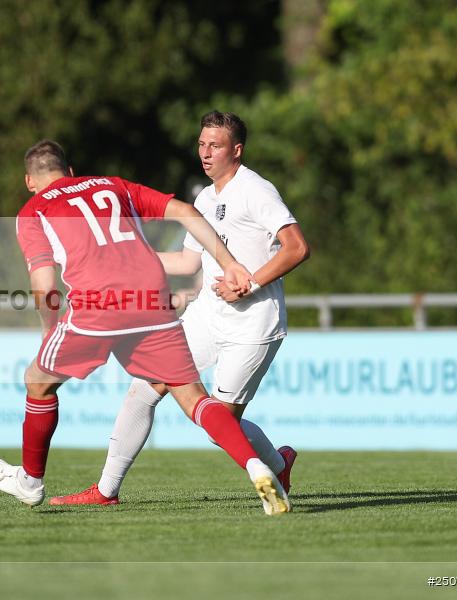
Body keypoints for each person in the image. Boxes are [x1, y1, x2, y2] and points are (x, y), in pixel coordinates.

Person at [0, 139, 292, 515]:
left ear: (29, 181)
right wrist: (229, 263)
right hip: (151, 300)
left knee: (37, 380)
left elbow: (45, 284)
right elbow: (185, 211)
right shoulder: (113, 185)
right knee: (194, 398)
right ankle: (257, 466)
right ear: (71, 172)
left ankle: (31, 482)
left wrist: (50, 329)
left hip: (97, 306)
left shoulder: (34, 210)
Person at [49, 111, 310, 515]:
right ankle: (106, 489)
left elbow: (298, 247)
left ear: (237, 150)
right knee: (143, 388)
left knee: (220, 426)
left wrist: (250, 283)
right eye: (202, 144)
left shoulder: (256, 191)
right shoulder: (205, 198)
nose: (205, 153)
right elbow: (189, 263)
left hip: (253, 322)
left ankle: (277, 464)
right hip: (207, 315)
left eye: (215, 145)